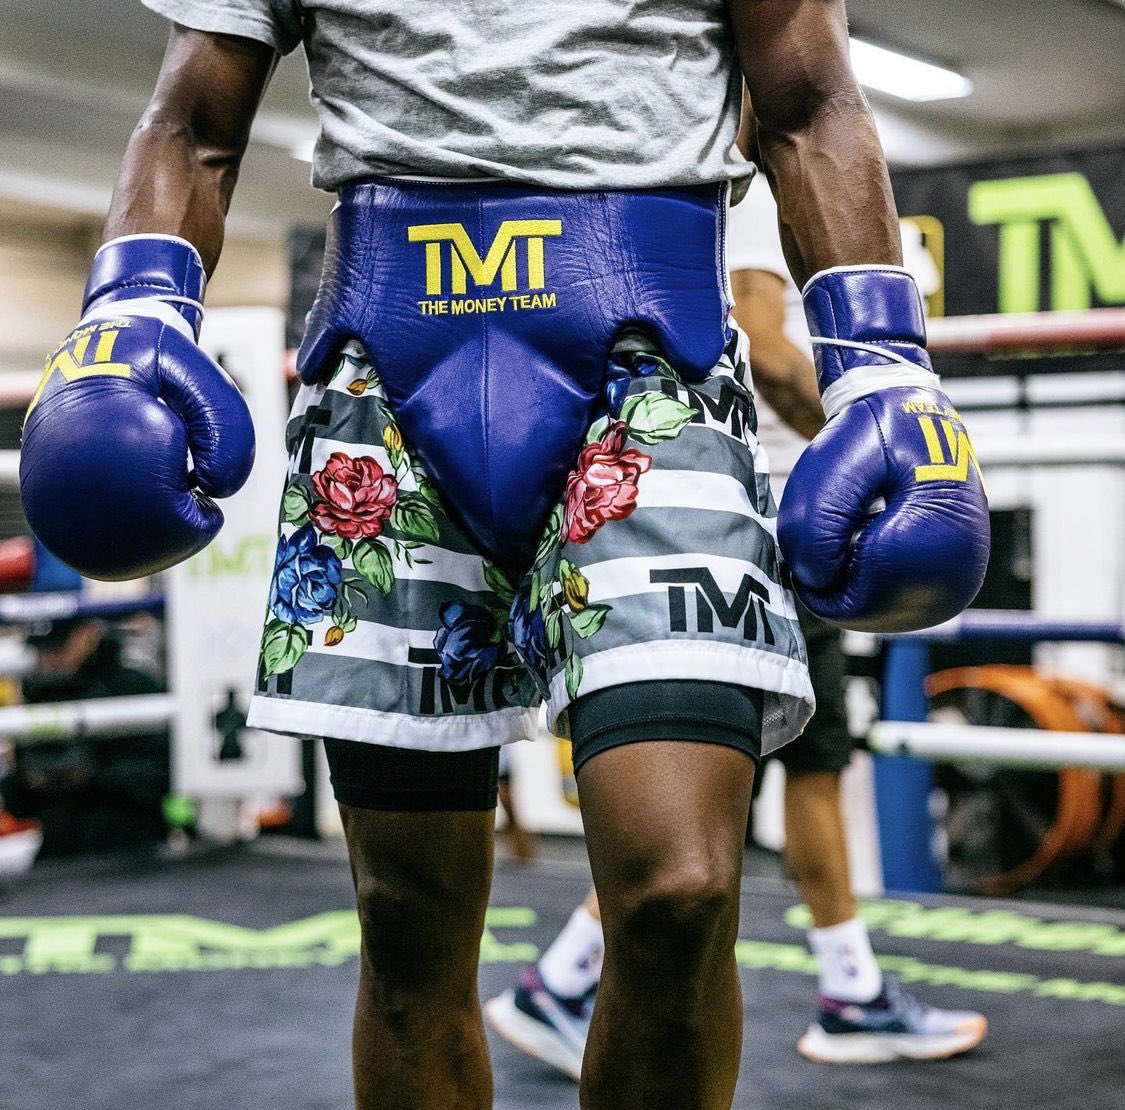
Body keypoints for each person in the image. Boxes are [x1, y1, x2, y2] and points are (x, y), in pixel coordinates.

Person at [19, 4, 990, 1109]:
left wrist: (882, 362)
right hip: (385, 372)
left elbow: (811, 97)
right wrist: (132, 303)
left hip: (651, 364)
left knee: (683, 890)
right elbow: (191, 111)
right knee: (406, 921)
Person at [485, 171, 988, 1075]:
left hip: (768, 515)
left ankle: (576, 978)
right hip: (778, 516)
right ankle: (841, 994)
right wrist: (866, 448)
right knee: (764, 776)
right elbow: (763, 338)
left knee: (782, 771)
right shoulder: (753, 191)